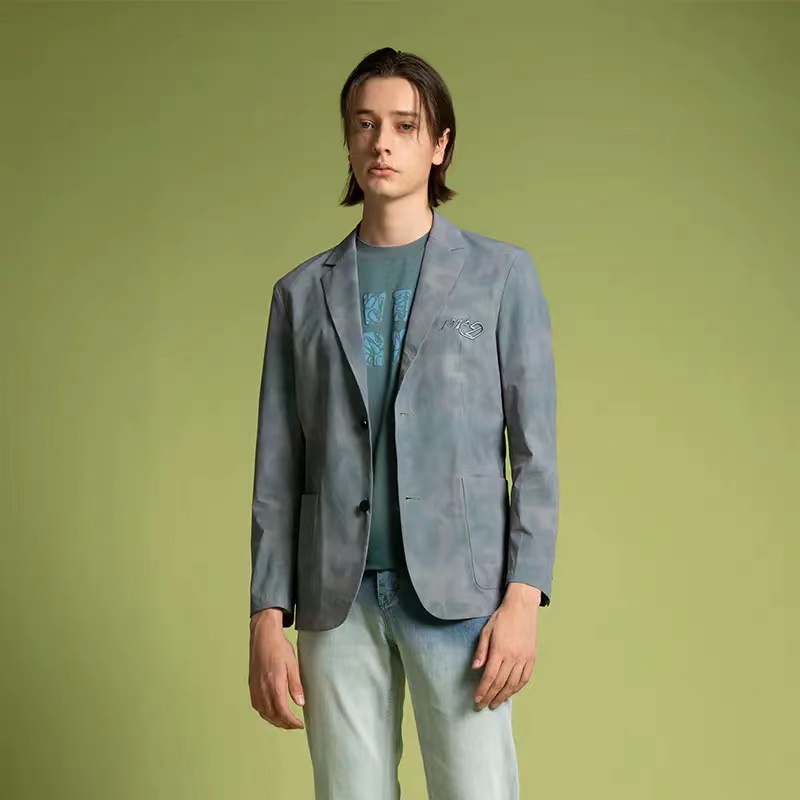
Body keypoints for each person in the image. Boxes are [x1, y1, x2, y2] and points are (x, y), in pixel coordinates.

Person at [248, 47, 559, 800]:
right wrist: (265, 613)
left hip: (462, 597)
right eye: (365, 125)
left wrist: (523, 597)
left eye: (404, 125)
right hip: (335, 600)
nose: (381, 143)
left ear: (439, 143)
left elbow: (536, 454)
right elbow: (278, 469)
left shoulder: (500, 276)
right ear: (348, 141)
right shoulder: (299, 295)